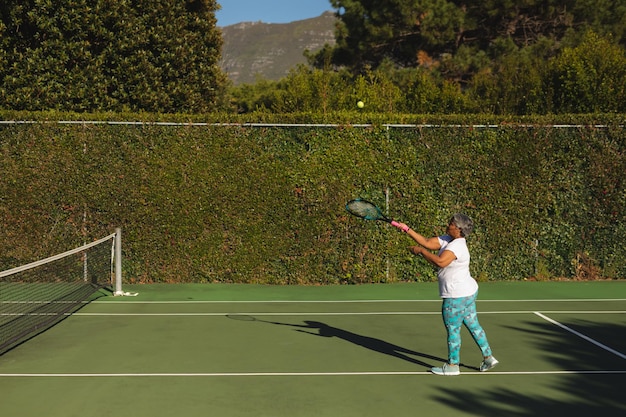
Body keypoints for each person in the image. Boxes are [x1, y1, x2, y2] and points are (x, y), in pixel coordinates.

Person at [393, 214, 498, 376]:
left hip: (456, 296)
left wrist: (421, 251)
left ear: (459, 229)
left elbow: (440, 262)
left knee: (453, 330)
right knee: (473, 325)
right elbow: (428, 242)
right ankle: (488, 357)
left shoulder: (457, 246)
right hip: (468, 292)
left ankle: (452, 365)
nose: (448, 225)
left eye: (451, 224)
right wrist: (406, 229)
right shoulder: (449, 239)